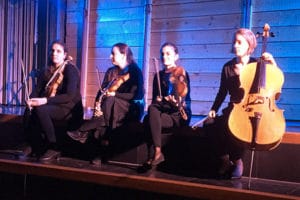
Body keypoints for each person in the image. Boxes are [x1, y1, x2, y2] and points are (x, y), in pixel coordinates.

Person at [207, 28, 278, 179]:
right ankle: (225, 159)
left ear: (250, 46)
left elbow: (274, 80)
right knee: (209, 123)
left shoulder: (258, 64)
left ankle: (237, 161)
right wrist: (214, 108)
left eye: (240, 42)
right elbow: (222, 92)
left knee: (238, 126)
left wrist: (272, 63)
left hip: (254, 107)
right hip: (234, 106)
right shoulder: (227, 67)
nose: (236, 45)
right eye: (234, 42)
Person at [67, 43, 144, 163]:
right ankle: (101, 152)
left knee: (110, 101)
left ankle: (83, 130)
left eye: (114, 53)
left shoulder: (134, 71)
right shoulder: (111, 71)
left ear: (124, 55)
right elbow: (101, 92)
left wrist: (115, 94)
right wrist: (96, 106)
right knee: (107, 106)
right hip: (111, 108)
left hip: (130, 108)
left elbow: (137, 96)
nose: (110, 56)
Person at [23, 40, 83, 161]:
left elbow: (69, 96)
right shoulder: (46, 71)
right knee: (29, 110)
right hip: (54, 104)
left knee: (41, 109)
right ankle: (34, 144)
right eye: (52, 51)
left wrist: (45, 100)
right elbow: (37, 90)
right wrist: (30, 100)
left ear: (65, 55)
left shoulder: (70, 70)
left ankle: (54, 146)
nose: (54, 53)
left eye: (58, 51)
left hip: (69, 107)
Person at [142, 42, 192, 169]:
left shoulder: (181, 74)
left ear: (176, 56)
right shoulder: (158, 76)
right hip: (164, 113)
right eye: (162, 54)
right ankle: (158, 152)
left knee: (149, 120)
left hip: (178, 114)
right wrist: (160, 101)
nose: (164, 57)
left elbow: (182, 101)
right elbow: (155, 102)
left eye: (168, 54)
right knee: (152, 110)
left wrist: (172, 102)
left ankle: (152, 155)